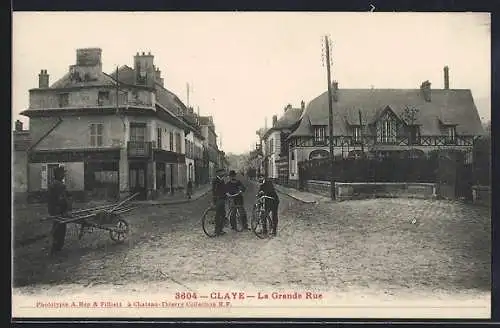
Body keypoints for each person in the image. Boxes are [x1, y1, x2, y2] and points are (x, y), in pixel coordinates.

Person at [47, 166, 71, 254]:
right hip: (60, 211)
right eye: (63, 173)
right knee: (60, 229)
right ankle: (57, 248)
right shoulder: (60, 185)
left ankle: (56, 247)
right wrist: (66, 208)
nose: (64, 175)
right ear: (59, 174)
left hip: (53, 210)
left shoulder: (53, 183)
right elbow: (62, 199)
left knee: (56, 228)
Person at [211, 168, 227, 236]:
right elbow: (214, 191)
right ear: (218, 174)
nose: (222, 174)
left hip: (222, 199)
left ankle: (220, 229)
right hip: (218, 199)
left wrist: (226, 195)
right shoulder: (215, 180)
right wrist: (214, 200)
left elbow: (224, 189)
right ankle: (216, 230)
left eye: (223, 173)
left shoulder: (222, 180)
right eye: (221, 173)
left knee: (223, 214)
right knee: (218, 215)